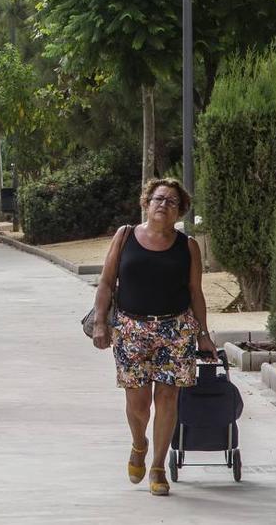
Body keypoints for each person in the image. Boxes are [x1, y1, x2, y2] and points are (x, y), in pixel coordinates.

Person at [90, 178, 215, 497]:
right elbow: (106, 284)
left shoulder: (187, 246)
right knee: (138, 402)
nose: (163, 205)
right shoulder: (125, 236)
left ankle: (158, 467)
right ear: (146, 203)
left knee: (168, 398)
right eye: (159, 199)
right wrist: (101, 323)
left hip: (175, 331)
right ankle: (139, 443)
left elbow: (195, 292)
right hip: (132, 330)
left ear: (180, 211)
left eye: (172, 202)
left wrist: (204, 335)